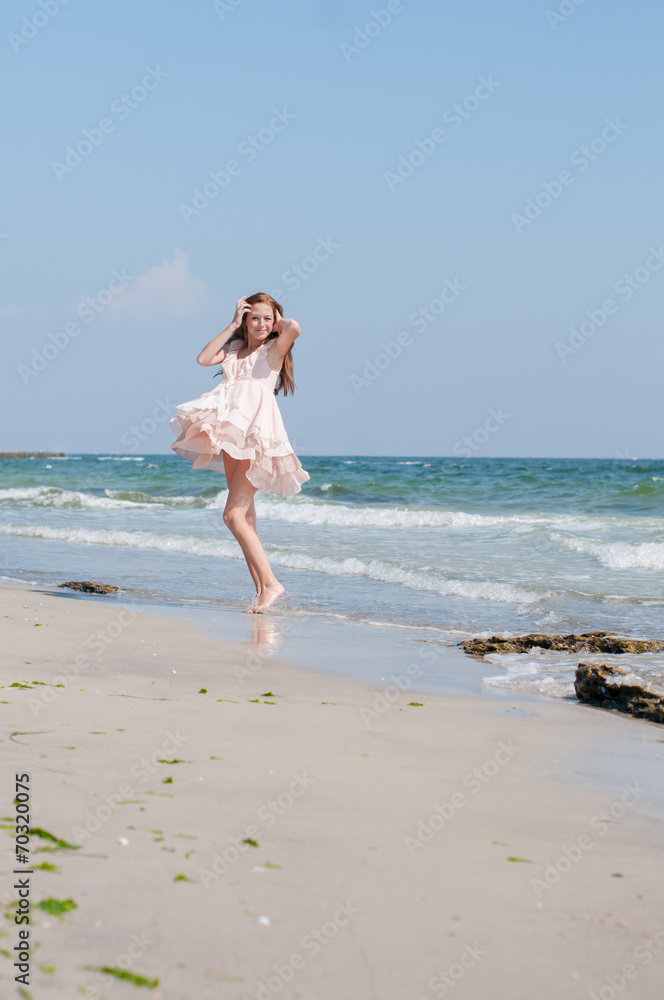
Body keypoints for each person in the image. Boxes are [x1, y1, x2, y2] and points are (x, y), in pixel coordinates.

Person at [169, 293, 310, 613]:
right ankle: (262, 590)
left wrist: (278, 323)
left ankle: (272, 585)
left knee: (232, 515)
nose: (260, 324)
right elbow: (204, 359)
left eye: (267, 319)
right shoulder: (234, 350)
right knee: (244, 517)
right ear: (245, 320)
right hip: (232, 433)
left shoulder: (274, 350)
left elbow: (295, 327)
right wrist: (233, 322)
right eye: (254, 318)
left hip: (256, 434)